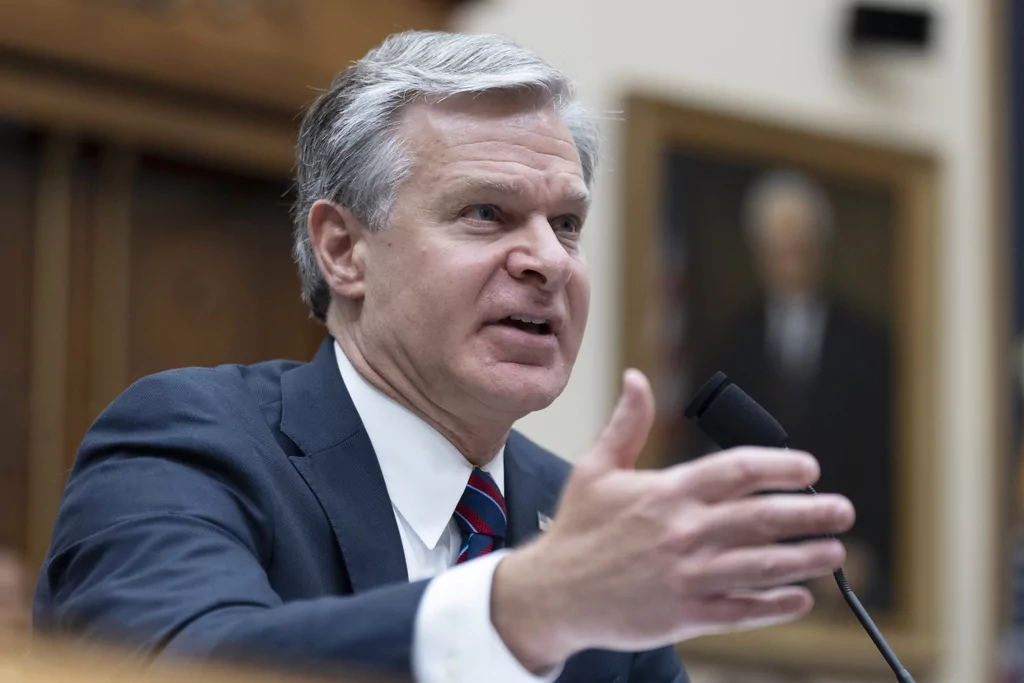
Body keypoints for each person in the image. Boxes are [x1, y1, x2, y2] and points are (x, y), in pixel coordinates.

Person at [33, 32, 855, 683]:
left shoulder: (581, 521)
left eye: (566, 224)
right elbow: (176, 665)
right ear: (344, 250)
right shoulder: (191, 440)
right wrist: (517, 610)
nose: (549, 260)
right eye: (487, 214)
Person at [690, 169, 893, 610]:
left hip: (840, 554)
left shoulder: (867, 344)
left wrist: (860, 547)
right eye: (777, 250)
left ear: (822, 248)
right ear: (758, 253)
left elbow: (882, 460)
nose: (790, 264)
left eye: (801, 248)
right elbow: (707, 446)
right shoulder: (733, 340)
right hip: (752, 549)